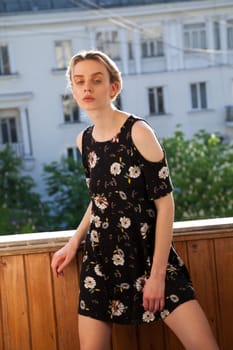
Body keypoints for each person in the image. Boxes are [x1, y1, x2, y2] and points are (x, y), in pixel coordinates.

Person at [51, 50, 220, 350]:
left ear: (113, 87)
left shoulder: (139, 132)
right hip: (101, 261)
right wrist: (74, 242)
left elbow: (165, 203)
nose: (87, 88)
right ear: (74, 90)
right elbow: (99, 200)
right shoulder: (83, 141)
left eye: (96, 80)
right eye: (79, 81)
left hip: (149, 257)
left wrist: (156, 277)